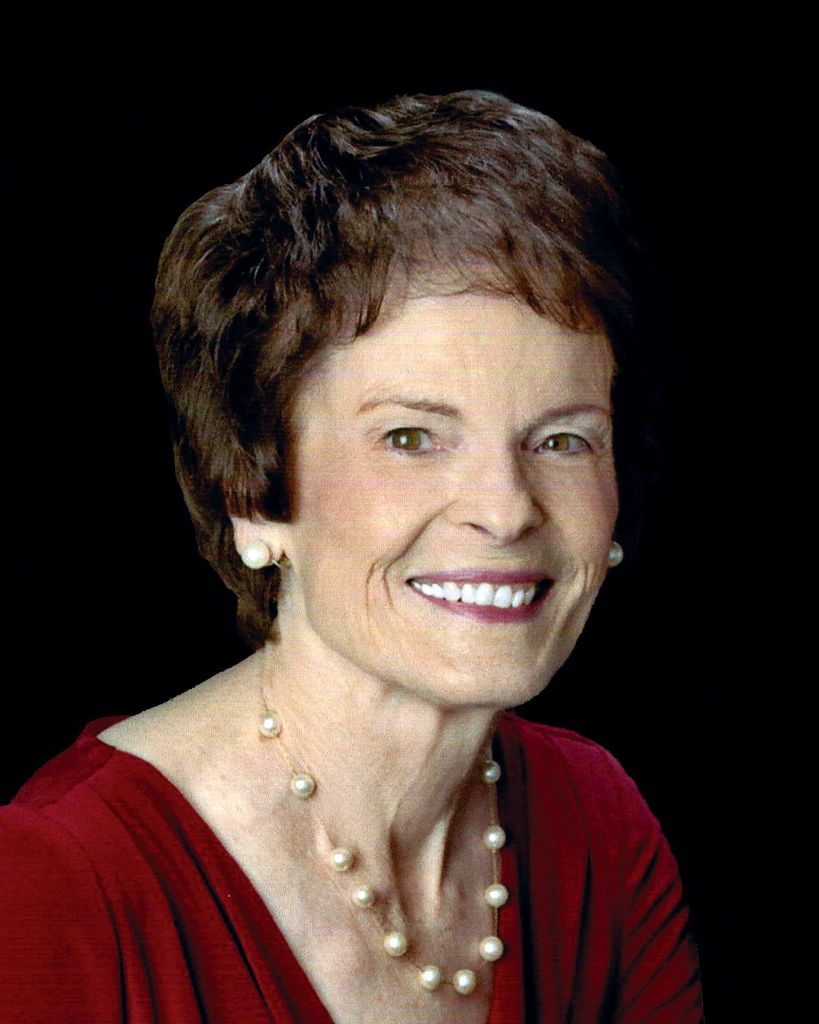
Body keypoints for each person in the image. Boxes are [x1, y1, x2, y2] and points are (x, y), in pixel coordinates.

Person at [0, 90, 703, 1023]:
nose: (505, 510)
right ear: (254, 491)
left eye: (562, 440)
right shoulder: (58, 878)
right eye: (411, 438)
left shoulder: (598, 824)